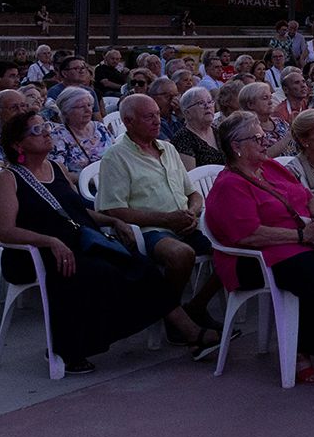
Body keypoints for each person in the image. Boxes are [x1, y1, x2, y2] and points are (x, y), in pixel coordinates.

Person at [0, 110, 212, 374]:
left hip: (77, 243)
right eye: (36, 131)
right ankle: (70, 349)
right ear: (17, 144)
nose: (47, 133)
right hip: (34, 253)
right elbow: (6, 231)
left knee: (141, 267)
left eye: (46, 126)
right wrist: (49, 241)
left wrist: (113, 222)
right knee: (101, 272)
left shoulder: (56, 168)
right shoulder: (8, 178)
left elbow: (78, 212)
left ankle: (189, 332)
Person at [207, 111, 314, 383]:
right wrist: (301, 235)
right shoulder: (230, 185)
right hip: (257, 258)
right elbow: (250, 235)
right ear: (236, 147)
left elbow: (307, 195)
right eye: (257, 138)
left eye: (263, 135)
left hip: (301, 242)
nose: (266, 141)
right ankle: (300, 354)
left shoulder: (270, 167)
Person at [94, 94, 225, 332]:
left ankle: (195, 307)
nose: (157, 121)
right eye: (148, 117)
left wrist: (192, 212)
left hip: (185, 222)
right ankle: (173, 320)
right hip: (151, 229)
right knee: (181, 255)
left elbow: (193, 194)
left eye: (157, 114)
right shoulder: (116, 156)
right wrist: (166, 219)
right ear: (128, 121)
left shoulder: (168, 148)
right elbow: (114, 208)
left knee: (232, 255)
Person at [48, 86, 112, 177]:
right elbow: (61, 174)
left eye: (89, 105)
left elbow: (116, 154)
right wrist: (89, 180)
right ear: (66, 111)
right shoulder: (58, 136)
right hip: (86, 187)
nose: (88, 110)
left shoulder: (100, 128)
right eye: (81, 107)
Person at [171, 87, 224, 170]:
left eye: (210, 102)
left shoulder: (219, 132)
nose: (207, 106)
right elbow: (191, 176)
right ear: (187, 113)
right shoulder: (182, 139)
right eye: (201, 103)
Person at [238, 82, 291, 157]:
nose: (270, 102)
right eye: (265, 98)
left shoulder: (280, 122)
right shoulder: (247, 130)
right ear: (250, 104)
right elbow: (262, 156)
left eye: (270, 97)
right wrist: (289, 135)